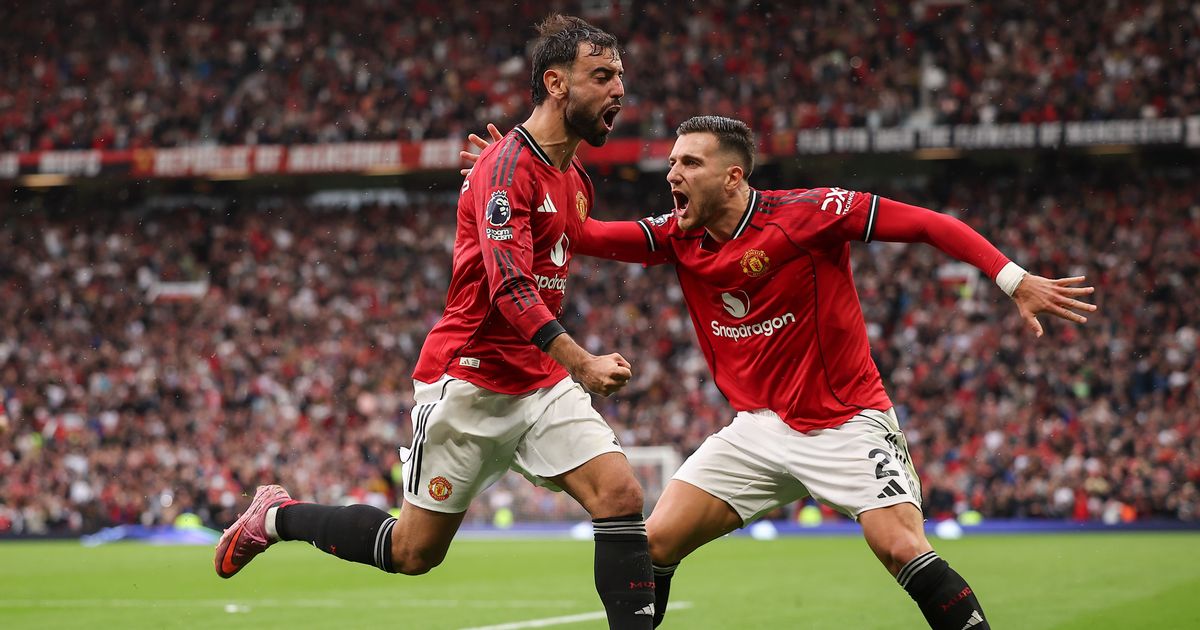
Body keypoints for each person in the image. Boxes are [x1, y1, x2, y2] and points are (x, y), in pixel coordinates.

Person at [464, 115, 1096, 629]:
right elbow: (585, 234)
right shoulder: (679, 236)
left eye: (690, 163)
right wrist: (510, 175)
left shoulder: (809, 214)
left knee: (901, 548)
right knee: (651, 546)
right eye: (673, 162)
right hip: (758, 430)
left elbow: (930, 224)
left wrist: (1012, 279)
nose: (672, 173)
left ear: (733, 176)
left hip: (846, 421)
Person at [214, 15, 659, 628]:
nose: (619, 90)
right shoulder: (507, 169)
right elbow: (510, 287)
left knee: (621, 495)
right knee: (413, 553)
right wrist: (582, 363)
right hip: (469, 379)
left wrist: (678, 237)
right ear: (557, 84)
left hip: (540, 381)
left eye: (620, 76)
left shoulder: (570, 176)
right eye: (602, 76)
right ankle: (274, 517)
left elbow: (586, 235)